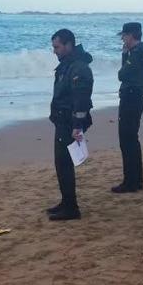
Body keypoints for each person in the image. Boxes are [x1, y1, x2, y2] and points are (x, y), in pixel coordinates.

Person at [46, 29, 94, 221]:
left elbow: (81, 99)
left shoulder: (79, 67)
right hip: (62, 119)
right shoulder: (67, 64)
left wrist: (77, 125)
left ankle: (71, 207)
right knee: (61, 163)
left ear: (68, 45)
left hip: (69, 122)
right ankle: (66, 202)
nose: (54, 51)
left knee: (65, 163)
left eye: (57, 47)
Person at [111, 22, 143, 193]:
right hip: (136, 96)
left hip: (131, 97)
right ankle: (135, 180)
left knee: (127, 140)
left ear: (131, 35)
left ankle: (131, 181)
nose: (122, 39)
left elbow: (122, 74)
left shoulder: (136, 53)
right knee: (131, 140)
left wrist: (124, 55)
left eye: (124, 35)